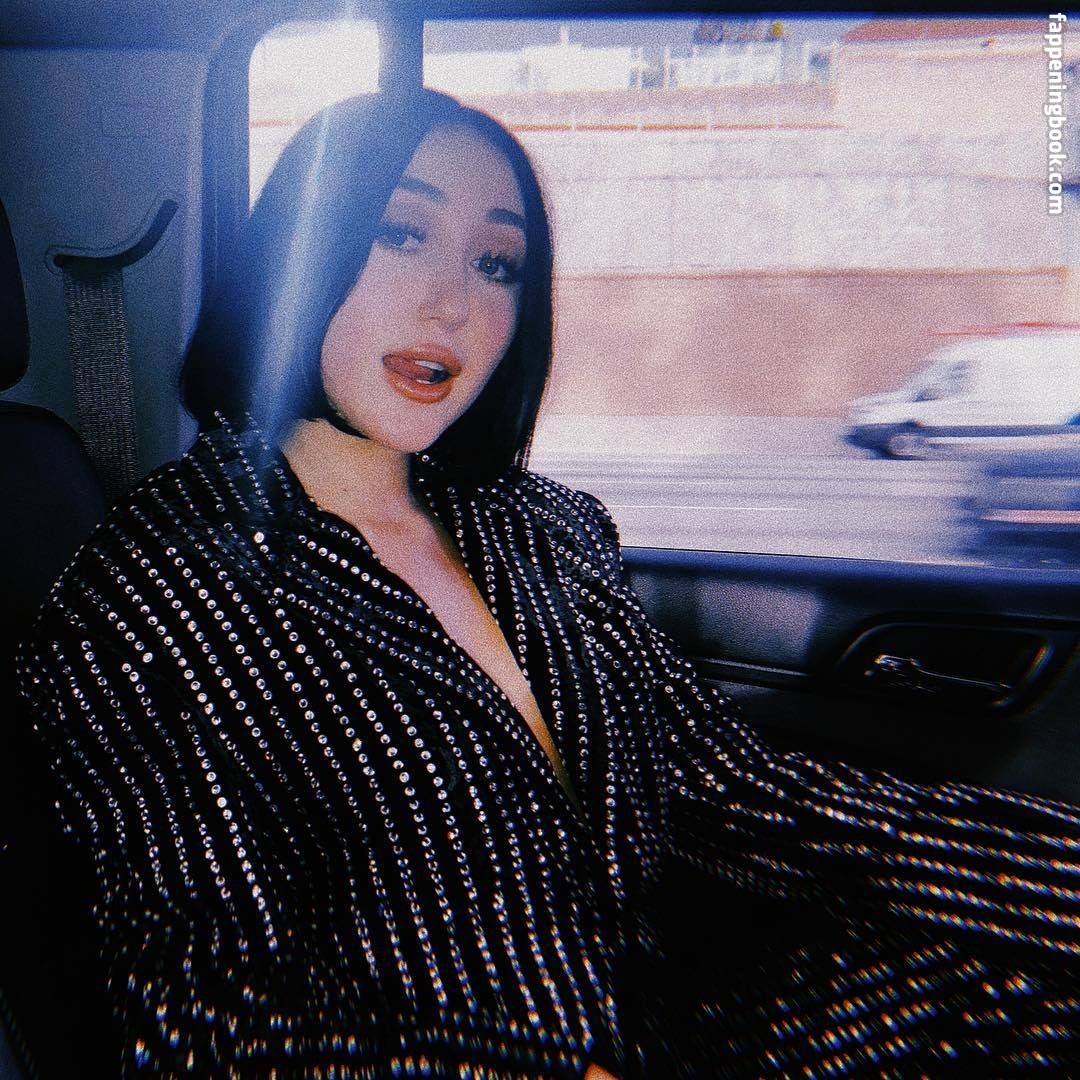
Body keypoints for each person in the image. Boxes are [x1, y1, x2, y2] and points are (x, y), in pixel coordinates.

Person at [8, 87, 1080, 1078]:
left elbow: (737, 791)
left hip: (678, 1016)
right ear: (299, 248)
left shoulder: (544, 527)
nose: (451, 305)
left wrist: (1050, 879)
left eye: (497, 263)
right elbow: (210, 1019)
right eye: (401, 233)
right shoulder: (152, 596)